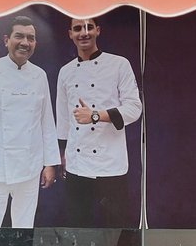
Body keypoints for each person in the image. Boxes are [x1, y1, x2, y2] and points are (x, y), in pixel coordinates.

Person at [0, 15, 57, 229]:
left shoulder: (40, 75)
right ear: (6, 40)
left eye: (30, 38)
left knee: (24, 229)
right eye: (19, 36)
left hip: (29, 167)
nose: (25, 42)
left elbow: (46, 122)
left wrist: (50, 163)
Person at [55, 13, 143, 230]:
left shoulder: (119, 64)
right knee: (79, 227)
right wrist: (62, 154)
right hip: (76, 164)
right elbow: (63, 118)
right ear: (70, 34)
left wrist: (95, 115)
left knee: (116, 228)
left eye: (89, 27)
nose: (84, 33)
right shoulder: (65, 72)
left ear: (98, 30)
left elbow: (134, 109)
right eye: (78, 29)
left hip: (110, 164)